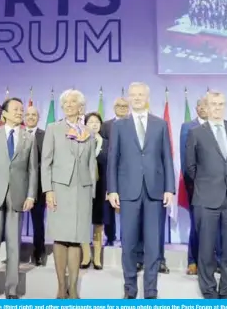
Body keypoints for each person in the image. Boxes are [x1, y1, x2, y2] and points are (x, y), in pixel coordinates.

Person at [107, 82, 174, 299]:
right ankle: (130, 290)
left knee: (153, 244)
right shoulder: (119, 125)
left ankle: (151, 291)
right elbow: (112, 161)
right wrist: (112, 190)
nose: (136, 98)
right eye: (133, 95)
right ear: (128, 97)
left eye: (140, 94)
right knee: (128, 242)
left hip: (155, 191)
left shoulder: (160, 124)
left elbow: (167, 158)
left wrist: (170, 189)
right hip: (127, 192)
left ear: (147, 96)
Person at [185, 90, 227, 299]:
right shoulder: (196, 132)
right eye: (213, 104)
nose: (217, 108)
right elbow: (190, 168)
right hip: (206, 198)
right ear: (206, 107)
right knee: (206, 249)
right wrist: (205, 185)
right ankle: (209, 292)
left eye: (220, 104)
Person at [0, 97, 37, 299]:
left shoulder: (29, 137)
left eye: (22, 109)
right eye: (16, 109)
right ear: (4, 113)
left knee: (14, 245)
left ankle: (11, 290)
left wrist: (31, 195)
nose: (20, 112)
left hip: (18, 196)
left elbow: (33, 169)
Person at [41, 89, 97, 299]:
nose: (70, 105)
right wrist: (48, 190)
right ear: (62, 106)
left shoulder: (89, 132)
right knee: (61, 237)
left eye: (74, 102)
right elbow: (46, 162)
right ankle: (60, 286)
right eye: (66, 102)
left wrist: (91, 191)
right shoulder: (53, 129)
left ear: (81, 107)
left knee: (77, 238)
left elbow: (91, 163)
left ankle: (73, 288)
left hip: (82, 190)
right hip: (60, 189)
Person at [180, 96, 223, 275]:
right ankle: (193, 260)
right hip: (196, 184)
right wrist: (192, 182)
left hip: (219, 184)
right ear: (197, 109)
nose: (205, 109)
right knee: (197, 223)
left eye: (209, 105)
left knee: (219, 223)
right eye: (202, 106)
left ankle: (218, 260)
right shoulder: (188, 127)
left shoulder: (221, 126)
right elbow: (186, 157)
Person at [99, 97, 129, 246]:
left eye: (125, 106)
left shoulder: (133, 124)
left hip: (128, 172)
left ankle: (127, 238)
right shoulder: (105, 126)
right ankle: (110, 237)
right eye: (119, 105)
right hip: (109, 171)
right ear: (114, 107)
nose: (122, 108)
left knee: (128, 206)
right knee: (109, 206)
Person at [81, 112, 109, 270]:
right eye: (90, 121)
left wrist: (110, 189)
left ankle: (97, 257)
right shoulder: (81, 140)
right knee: (84, 221)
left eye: (97, 122)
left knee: (98, 222)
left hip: (101, 187)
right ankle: (86, 256)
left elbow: (111, 166)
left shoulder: (107, 143)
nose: (94, 124)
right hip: (84, 186)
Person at [24, 106, 46, 265]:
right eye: (28, 114)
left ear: (38, 117)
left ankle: (39, 251)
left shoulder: (45, 136)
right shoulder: (17, 133)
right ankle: (12, 252)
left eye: (34, 114)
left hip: (38, 186)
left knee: (37, 221)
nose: (30, 117)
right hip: (18, 184)